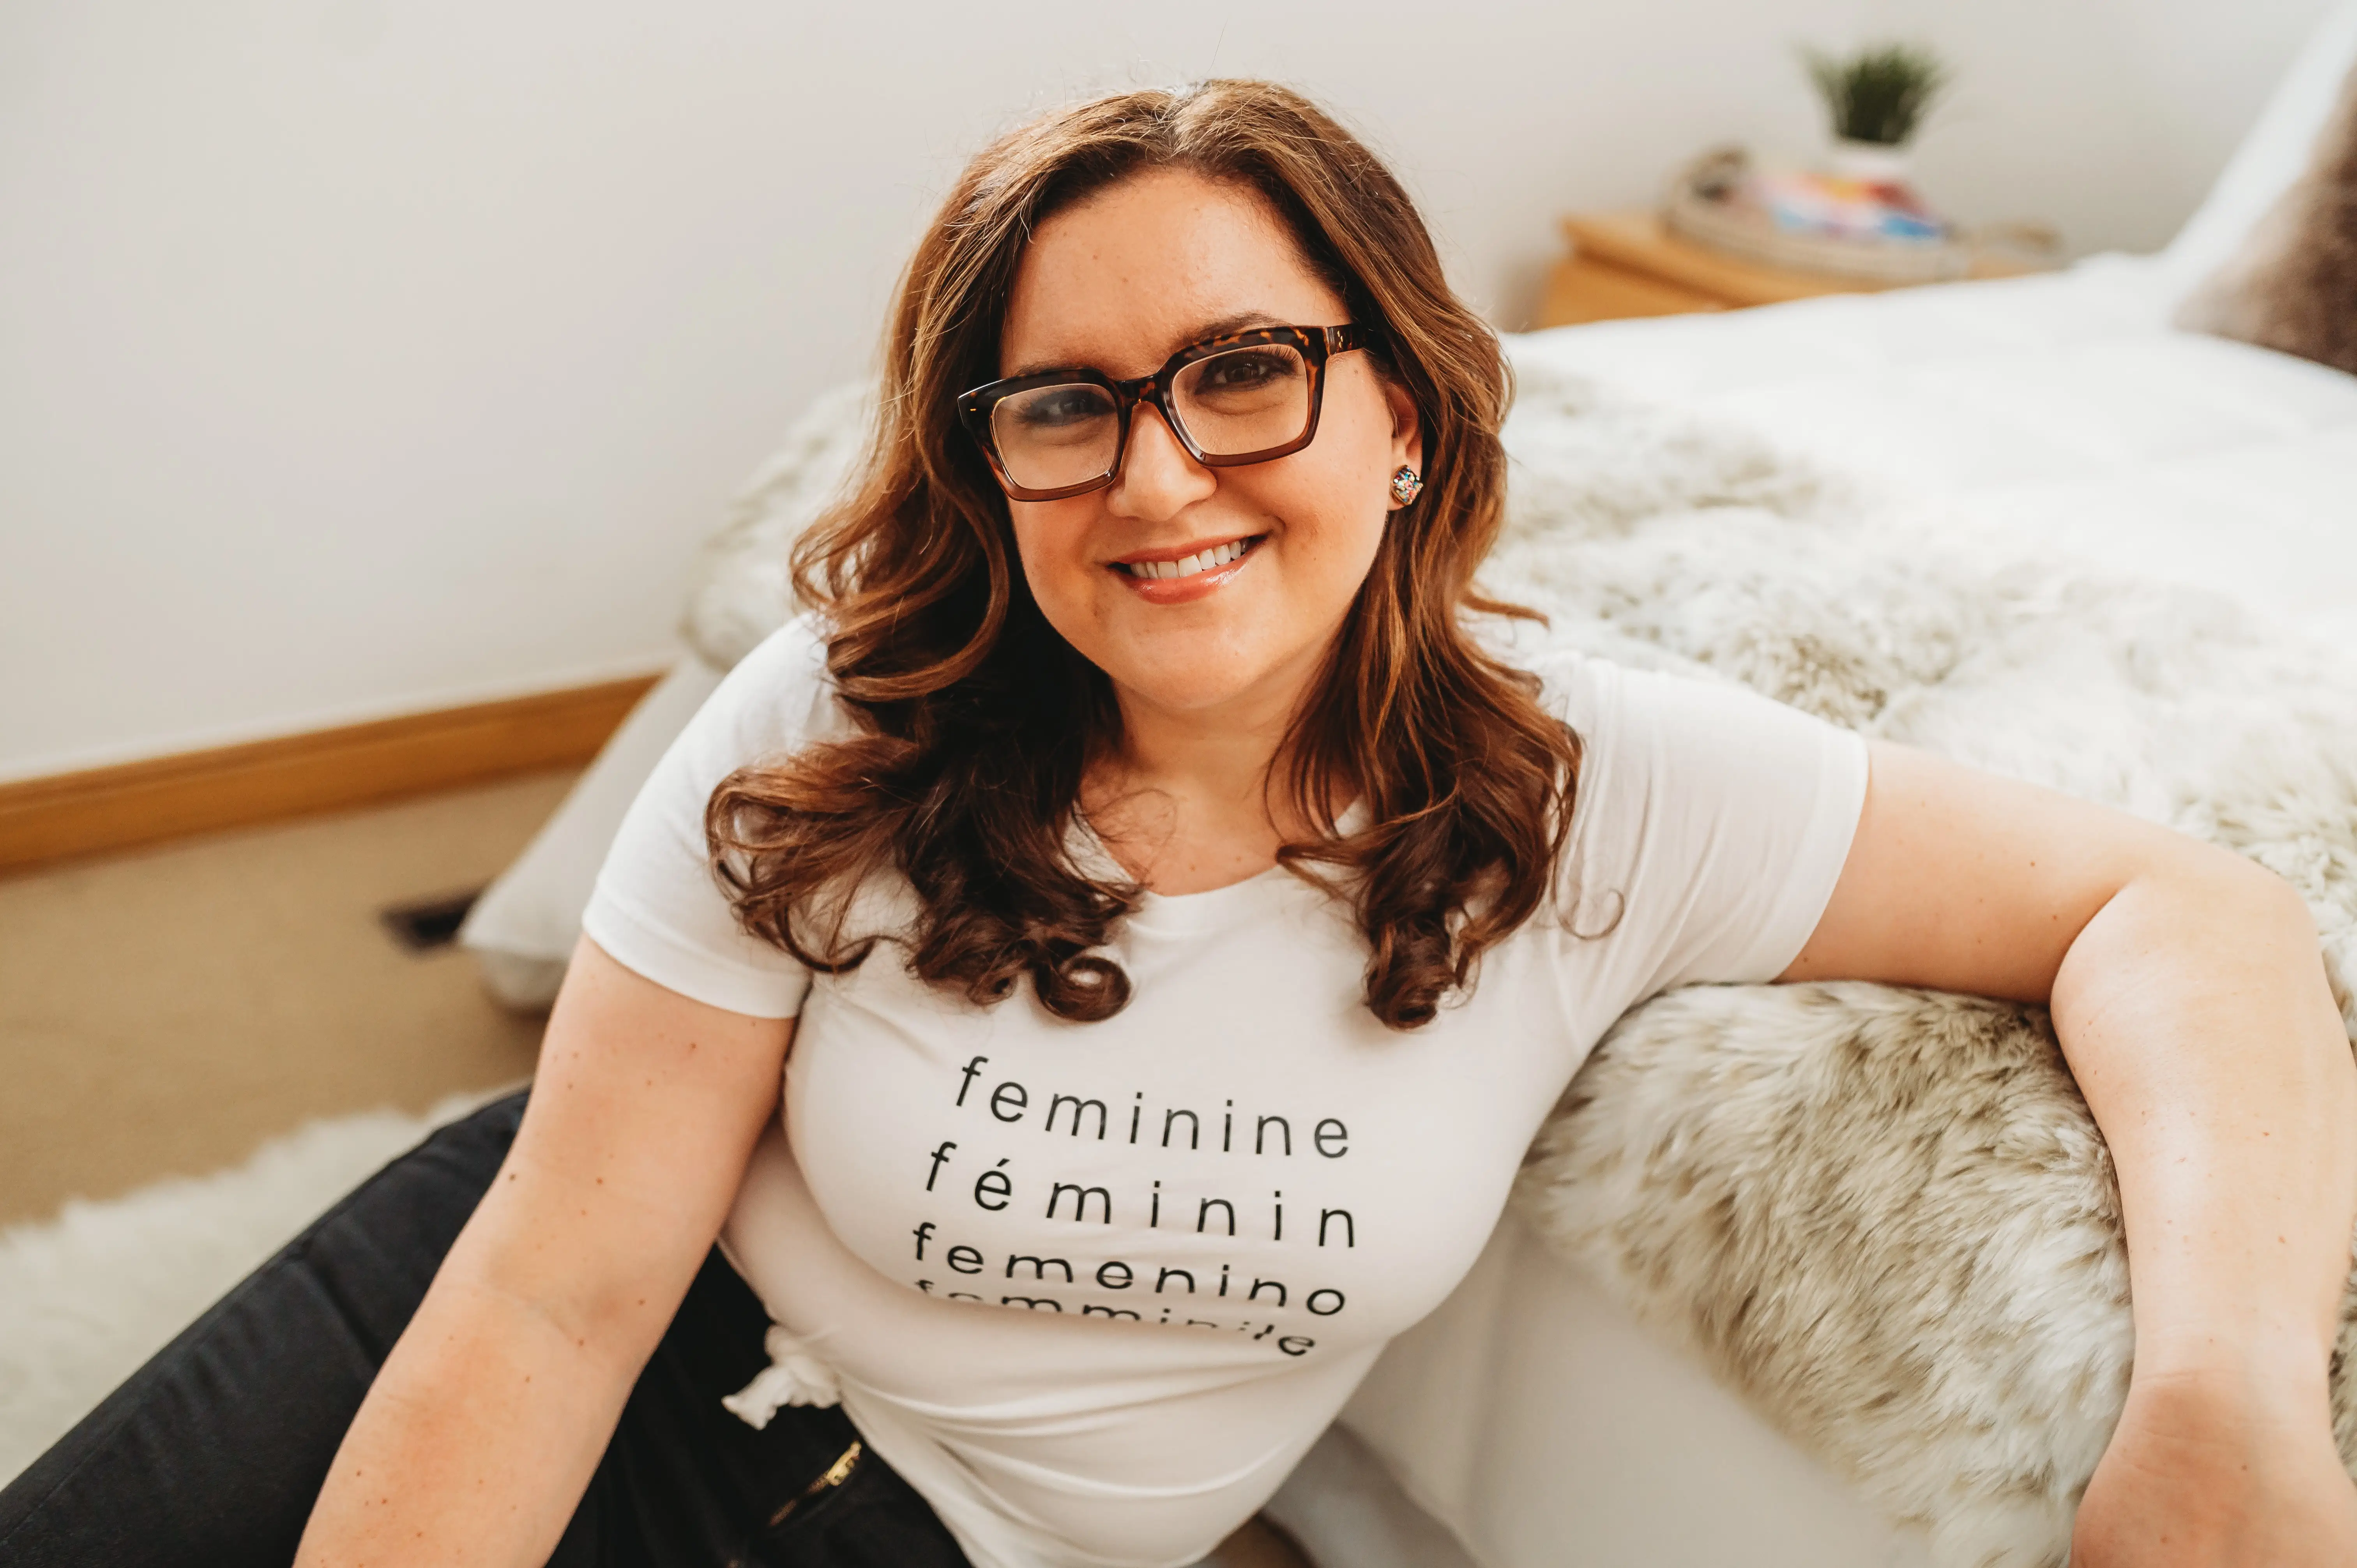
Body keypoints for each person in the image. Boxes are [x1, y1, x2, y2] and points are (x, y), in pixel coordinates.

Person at [5, 79, 2353, 1568]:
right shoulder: (839, 724)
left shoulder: (1597, 793)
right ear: (988, 460)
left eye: (1247, 369)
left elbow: (2187, 903)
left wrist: (2228, 1399)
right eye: (1064, 403)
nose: (1159, 474)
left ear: (1408, 409)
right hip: (555, 1320)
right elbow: (554, 1282)